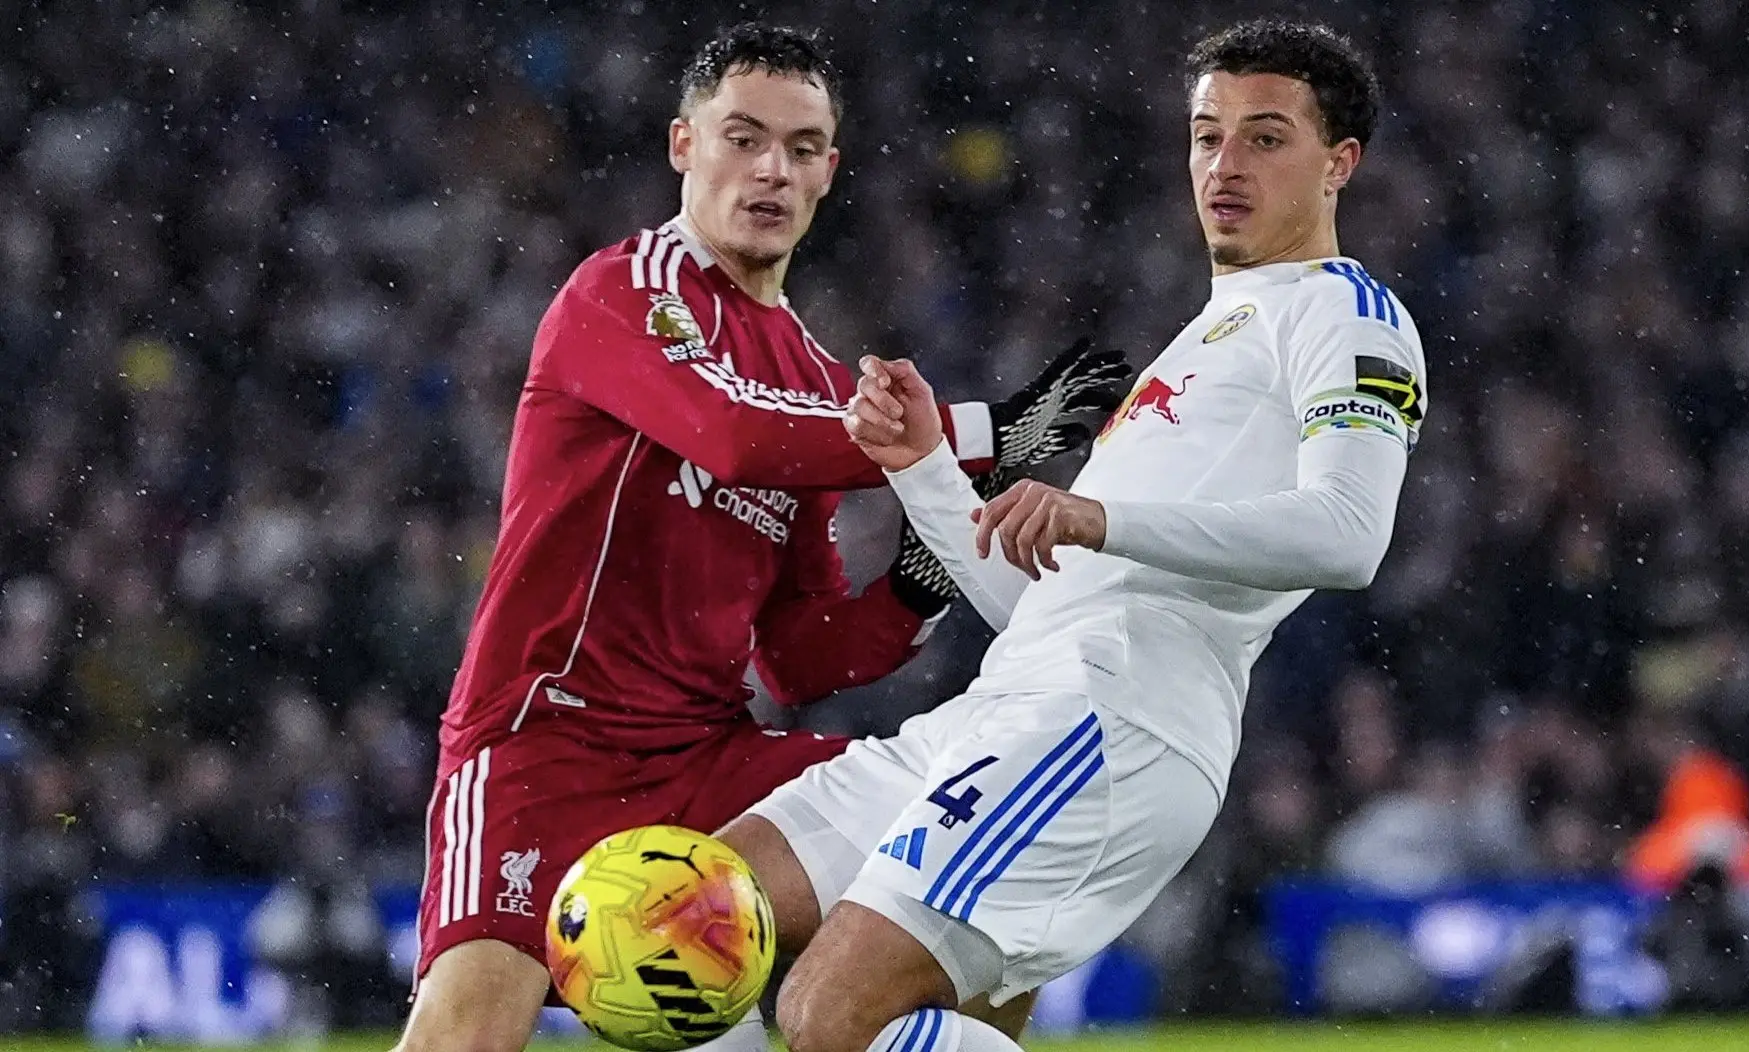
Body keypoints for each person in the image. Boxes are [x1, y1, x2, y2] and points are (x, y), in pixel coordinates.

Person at [393, 23, 1128, 1052]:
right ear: (683, 145)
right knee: (464, 1038)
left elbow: (801, 655)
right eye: (743, 138)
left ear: (829, 171)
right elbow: (733, 435)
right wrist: (987, 432)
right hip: (546, 743)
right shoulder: (626, 288)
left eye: (800, 147)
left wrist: (918, 582)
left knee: (966, 859)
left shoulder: (819, 379)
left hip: (710, 756)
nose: (772, 169)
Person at [713, 19, 1429, 1052]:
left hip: (1109, 721)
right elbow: (1044, 604)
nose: (1225, 164)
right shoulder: (1206, 333)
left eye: (1266, 138)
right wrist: (922, 466)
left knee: (828, 1015)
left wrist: (1101, 515)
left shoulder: (1345, 313)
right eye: (1207, 135)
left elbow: (1350, 536)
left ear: (1339, 163)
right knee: (700, 913)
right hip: (1013, 699)